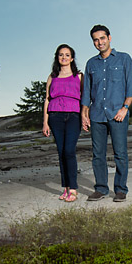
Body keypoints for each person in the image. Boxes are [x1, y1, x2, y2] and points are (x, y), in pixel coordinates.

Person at [80, 24, 132, 202]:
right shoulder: (91, 63)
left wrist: (125, 108)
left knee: (120, 153)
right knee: (98, 154)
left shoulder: (124, 59)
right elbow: (87, 92)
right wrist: (84, 114)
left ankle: (121, 190)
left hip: (117, 114)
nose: (99, 42)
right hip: (97, 115)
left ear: (109, 38)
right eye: (96, 40)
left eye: (102, 38)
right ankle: (101, 189)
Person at [42, 44, 83, 202]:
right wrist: (45, 123)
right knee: (61, 152)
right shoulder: (52, 77)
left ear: (72, 58)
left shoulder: (78, 76)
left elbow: (84, 98)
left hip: (73, 116)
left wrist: (85, 116)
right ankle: (66, 188)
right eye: (61, 55)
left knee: (69, 151)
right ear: (57, 57)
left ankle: (73, 189)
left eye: (67, 55)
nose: (64, 57)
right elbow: (47, 99)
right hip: (55, 116)